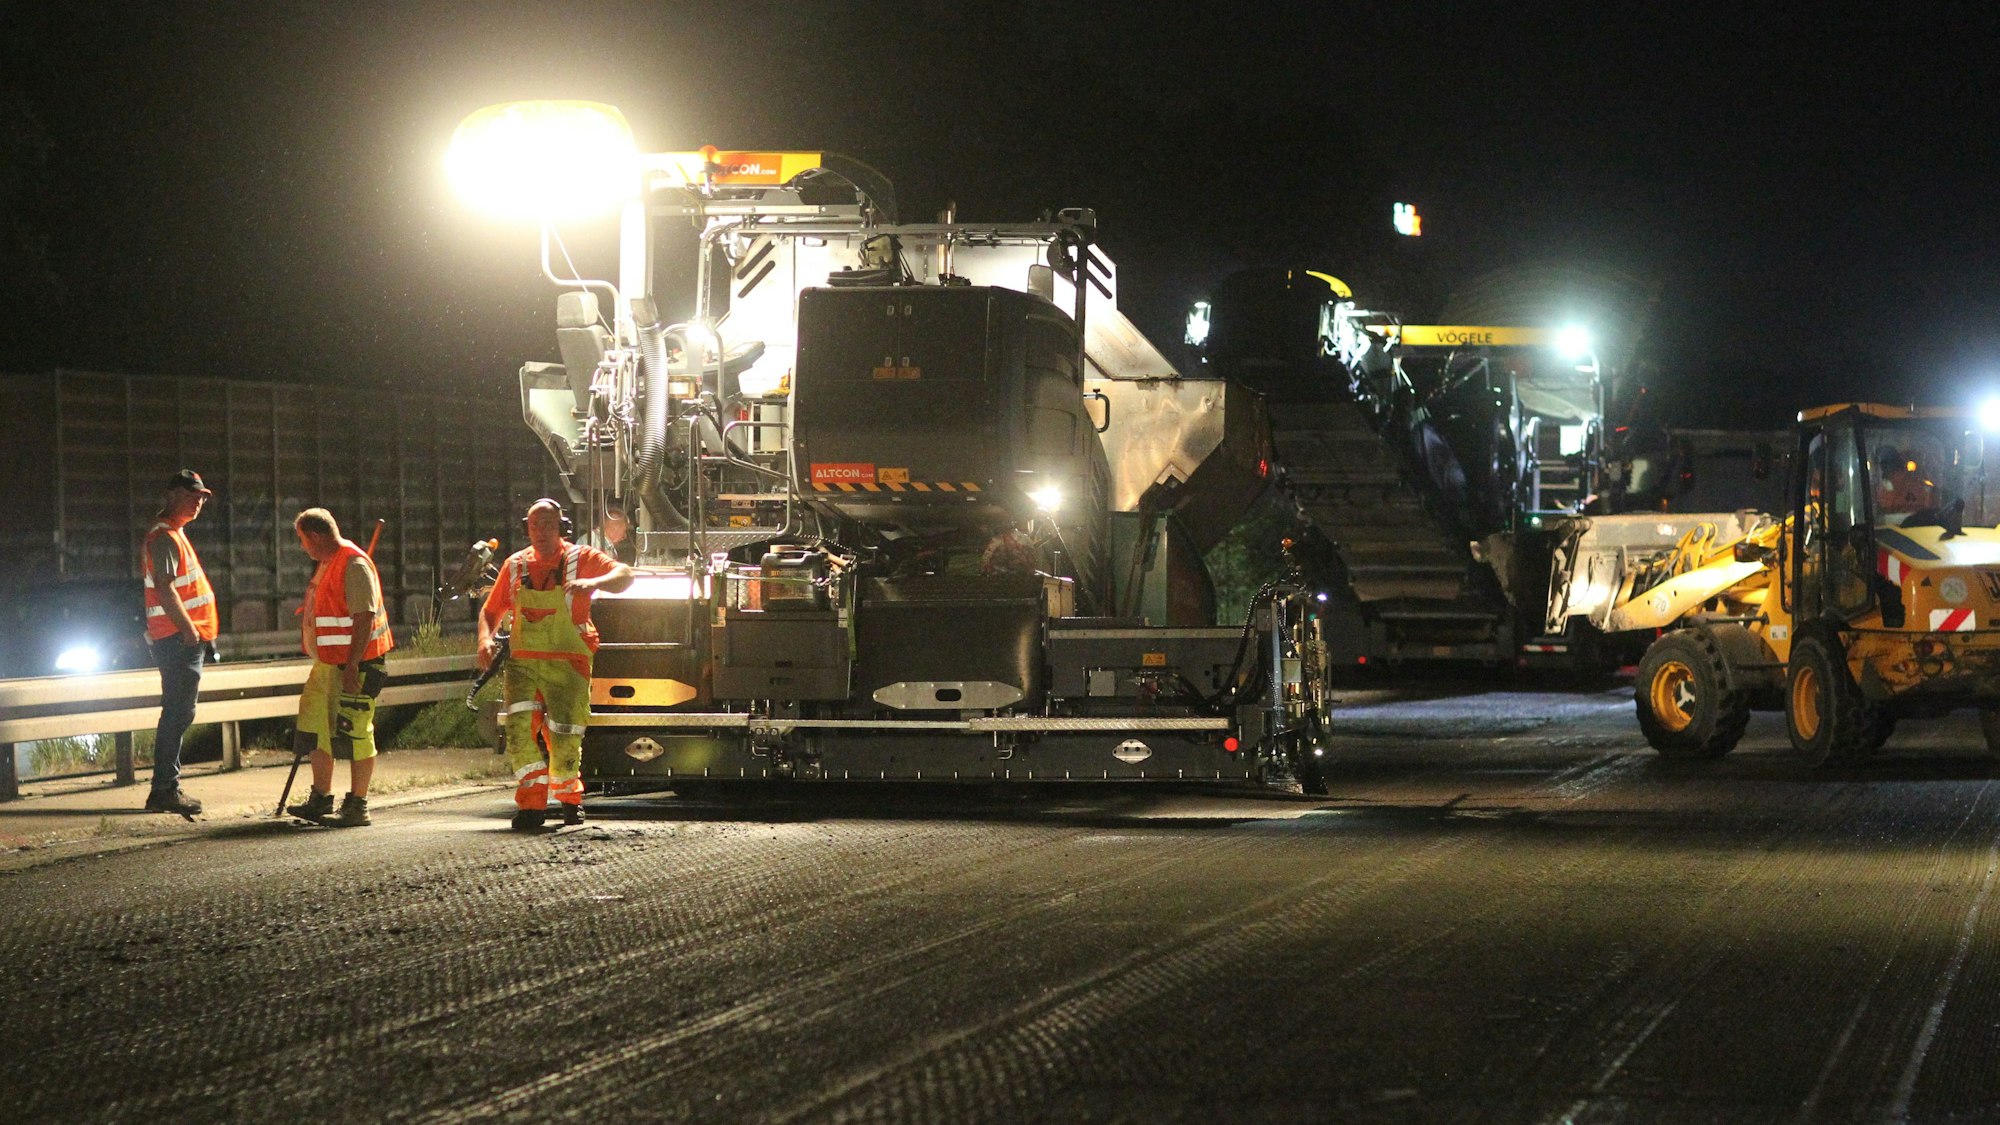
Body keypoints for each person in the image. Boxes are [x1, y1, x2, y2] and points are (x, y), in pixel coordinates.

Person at [478, 498, 633, 830]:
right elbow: (491, 611)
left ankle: (568, 800)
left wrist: (593, 583)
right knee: (518, 732)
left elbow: (624, 575)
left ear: (561, 527)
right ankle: (532, 806)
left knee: (564, 736)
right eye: (535, 526)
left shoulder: (582, 558)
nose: (540, 532)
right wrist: (484, 638)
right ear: (526, 528)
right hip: (524, 663)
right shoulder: (515, 565)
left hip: (568, 662)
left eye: (548, 524)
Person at [284, 508, 394, 827]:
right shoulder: (329, 563)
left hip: (356, 665)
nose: (303, 547)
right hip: (328, 664)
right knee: (314, 725)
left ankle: (358, 804)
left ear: (316, 537)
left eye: (304, 540)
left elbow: (363, 618)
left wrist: (352, 666)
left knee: (356, 732)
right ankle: (321, 797)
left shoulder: (354, 564)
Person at [140, 470, 218, 815]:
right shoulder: (165, 537)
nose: (198, 502)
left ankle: (165, 787)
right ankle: (164, 790)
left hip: (181, 638)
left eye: (201, 497)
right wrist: (188, 630)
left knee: (178, 712)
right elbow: (165, 587)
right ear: (172, 495)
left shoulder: (174, 534)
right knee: (177, 713)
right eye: (192, 495)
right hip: (177, 640)